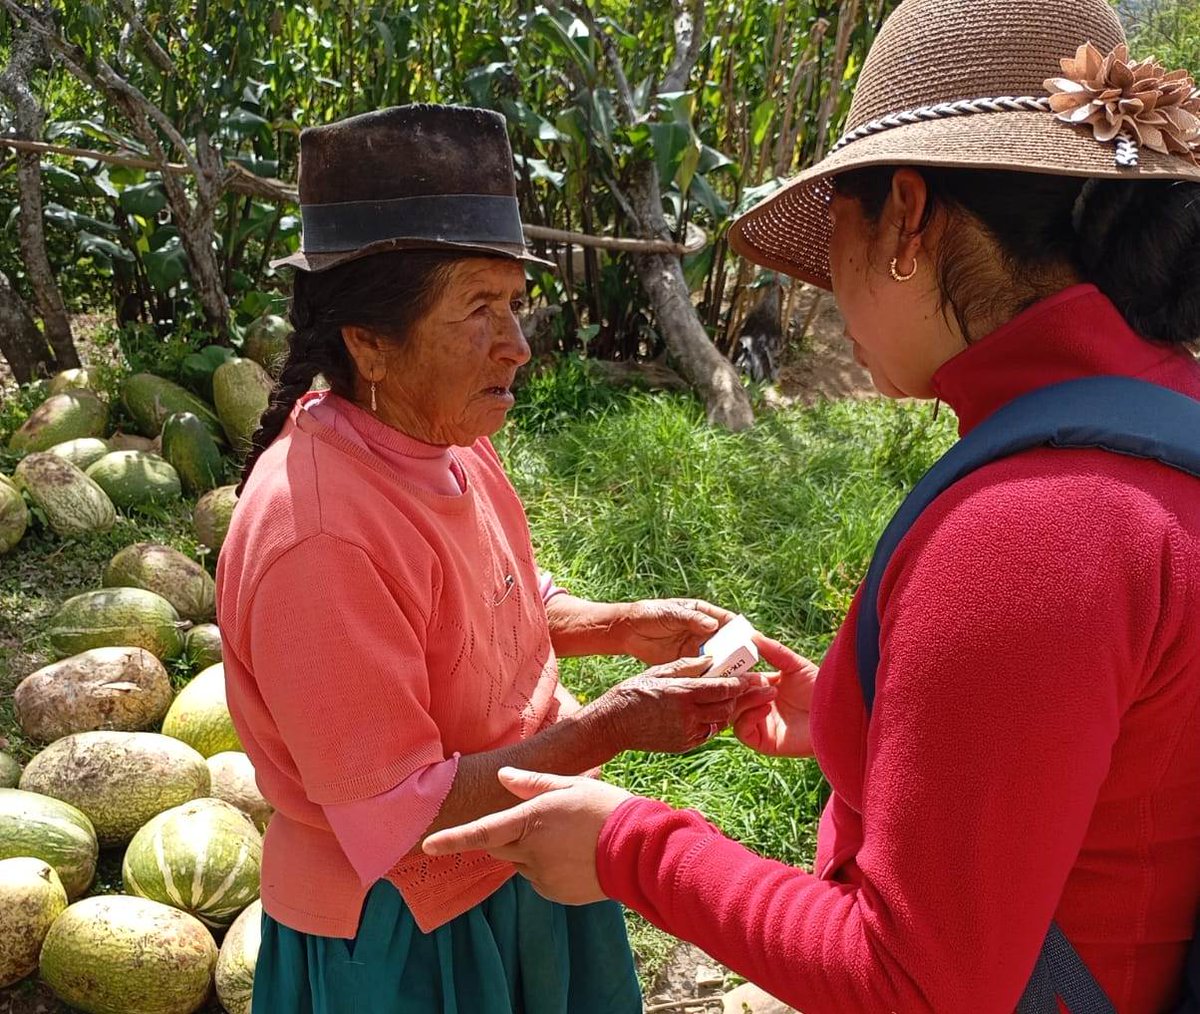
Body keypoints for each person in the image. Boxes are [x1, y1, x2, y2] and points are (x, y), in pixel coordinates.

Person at [423, 1, 1200, 1010]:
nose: (829, 284)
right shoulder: (1158, 424)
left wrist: (632, 849)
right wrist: (855, 720)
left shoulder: (1039, 526)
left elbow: (917, 983)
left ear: (908, 217)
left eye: (835, 230)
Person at [215, 104, 775, 1014]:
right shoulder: (318, 537)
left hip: (521, 851)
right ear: (369, 344)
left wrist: (622, 627)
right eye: (479, 310)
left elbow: (498, 598)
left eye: (514, 303)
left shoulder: (442, 434)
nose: (517, 344)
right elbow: (403, 815)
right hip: (408, 929)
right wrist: (613, 726)